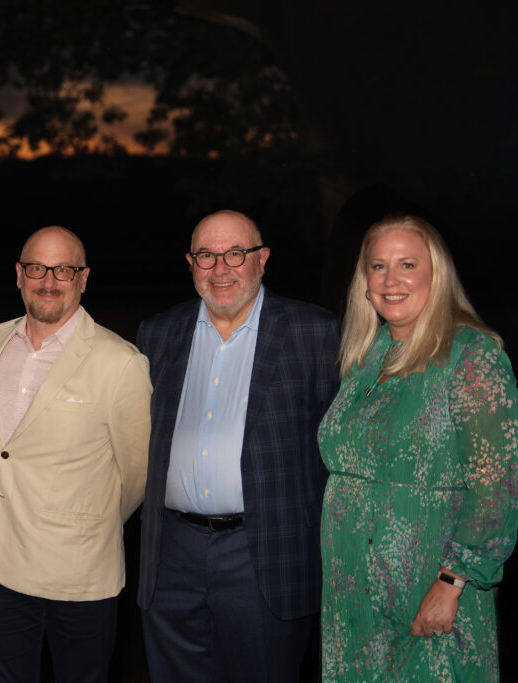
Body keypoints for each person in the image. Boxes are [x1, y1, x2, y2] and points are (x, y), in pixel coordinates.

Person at [136, 210, 340, 682]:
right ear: (190, 262)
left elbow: (338, 455)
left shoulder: (315, 333)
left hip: (265, 553)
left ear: (262, 259)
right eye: (206, 255)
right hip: (171, 555)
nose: (220, 268)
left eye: (235, 253)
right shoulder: (158, 333)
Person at [317, 214, 518, 681]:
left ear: (437, 276)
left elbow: (495, 491)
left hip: (427, 586)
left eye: (407, 264)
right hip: (352, 597)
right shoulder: (365, 357)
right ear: (364, 282)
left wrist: (451, 583)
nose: (391, 280)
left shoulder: (472, 354)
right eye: (378, 266)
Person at [0, 225, 152, 683]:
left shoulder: (120, 361)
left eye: (64, 269)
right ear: (18, 274)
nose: (48, 280)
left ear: (84, 278)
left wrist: (85, 521)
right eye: (36, 267)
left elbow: (136, 475)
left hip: (76, 569)